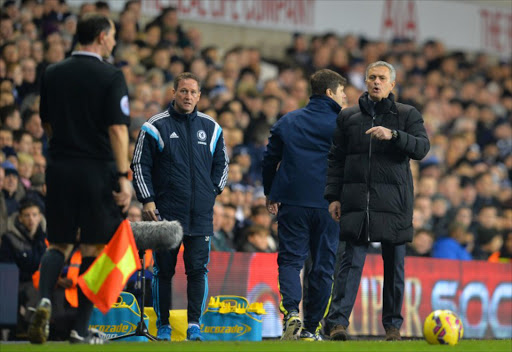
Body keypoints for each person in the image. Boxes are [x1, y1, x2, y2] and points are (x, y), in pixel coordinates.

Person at [28, 14, 131, 345]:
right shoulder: (111, 75)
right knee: (93, 247)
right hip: (96, 171)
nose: (114, 42)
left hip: (59, 167)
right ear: (102, 37)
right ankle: (79, 330)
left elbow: (46, 123)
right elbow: (117, 129)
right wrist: (122, 176)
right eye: (112, 36)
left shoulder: (53, 73)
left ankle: (43, 300)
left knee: (58, 242)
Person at [324, 61, 429, 341]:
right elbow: (336, 159)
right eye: (372, 77)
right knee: (349, 264)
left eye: (382, 78)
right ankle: (337, 324)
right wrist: (333, 196)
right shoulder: (348, 117)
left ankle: (393, 327)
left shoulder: (407, 114)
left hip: (394, 203)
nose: (376, 82)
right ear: (366, 81)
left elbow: (422, 148)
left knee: (394, 267)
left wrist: (393, 135)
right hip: (356, 202)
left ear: (392, 84)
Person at [131, 72, 228, 341]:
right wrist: (147, 199)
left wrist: (212, 192)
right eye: (183, 91)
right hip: (166, 214)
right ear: (173, 93)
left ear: (199, 96)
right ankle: (163, 326)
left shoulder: (212, 128)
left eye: (193, 92)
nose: (188, 96)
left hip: (200, 214)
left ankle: (194, 325)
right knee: (164, 271)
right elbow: (140, 164)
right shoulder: (155, 126)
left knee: (198, 270)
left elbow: (223, 164)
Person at [262, 69, 346, 341]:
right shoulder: (344, 123)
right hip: (329, 205)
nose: (345, 98)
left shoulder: (288, 121)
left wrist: (270, 191)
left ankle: (291, 314)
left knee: (290, 260)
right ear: (330, 92)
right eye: (342, 92)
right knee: (323, 267)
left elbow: (269, 159)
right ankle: (311, 328)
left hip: (293, 201)